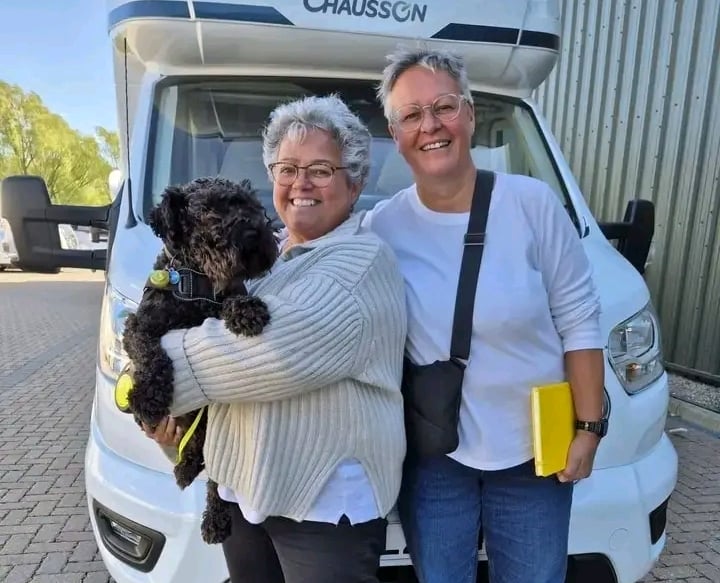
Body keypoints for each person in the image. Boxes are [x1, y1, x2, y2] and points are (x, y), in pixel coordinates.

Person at [364, 47, 606, 583]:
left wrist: (589, 429)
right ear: (395, 133)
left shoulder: (532, 205)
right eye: (411, 114)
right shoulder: (382, 228)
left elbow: (580, 320)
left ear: (470, 115)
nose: (431, 125)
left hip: (535, 456)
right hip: (435, 460)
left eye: (444, 107)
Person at [143, 95, 408, 583]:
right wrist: (174, 429)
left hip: (321, 504)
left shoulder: (361, 264)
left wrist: (149, 374)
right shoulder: (263, 259)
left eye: (321, 170)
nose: (300, 183)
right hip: (242, 493)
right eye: (287, 168)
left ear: (355, 183)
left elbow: (268, 355)